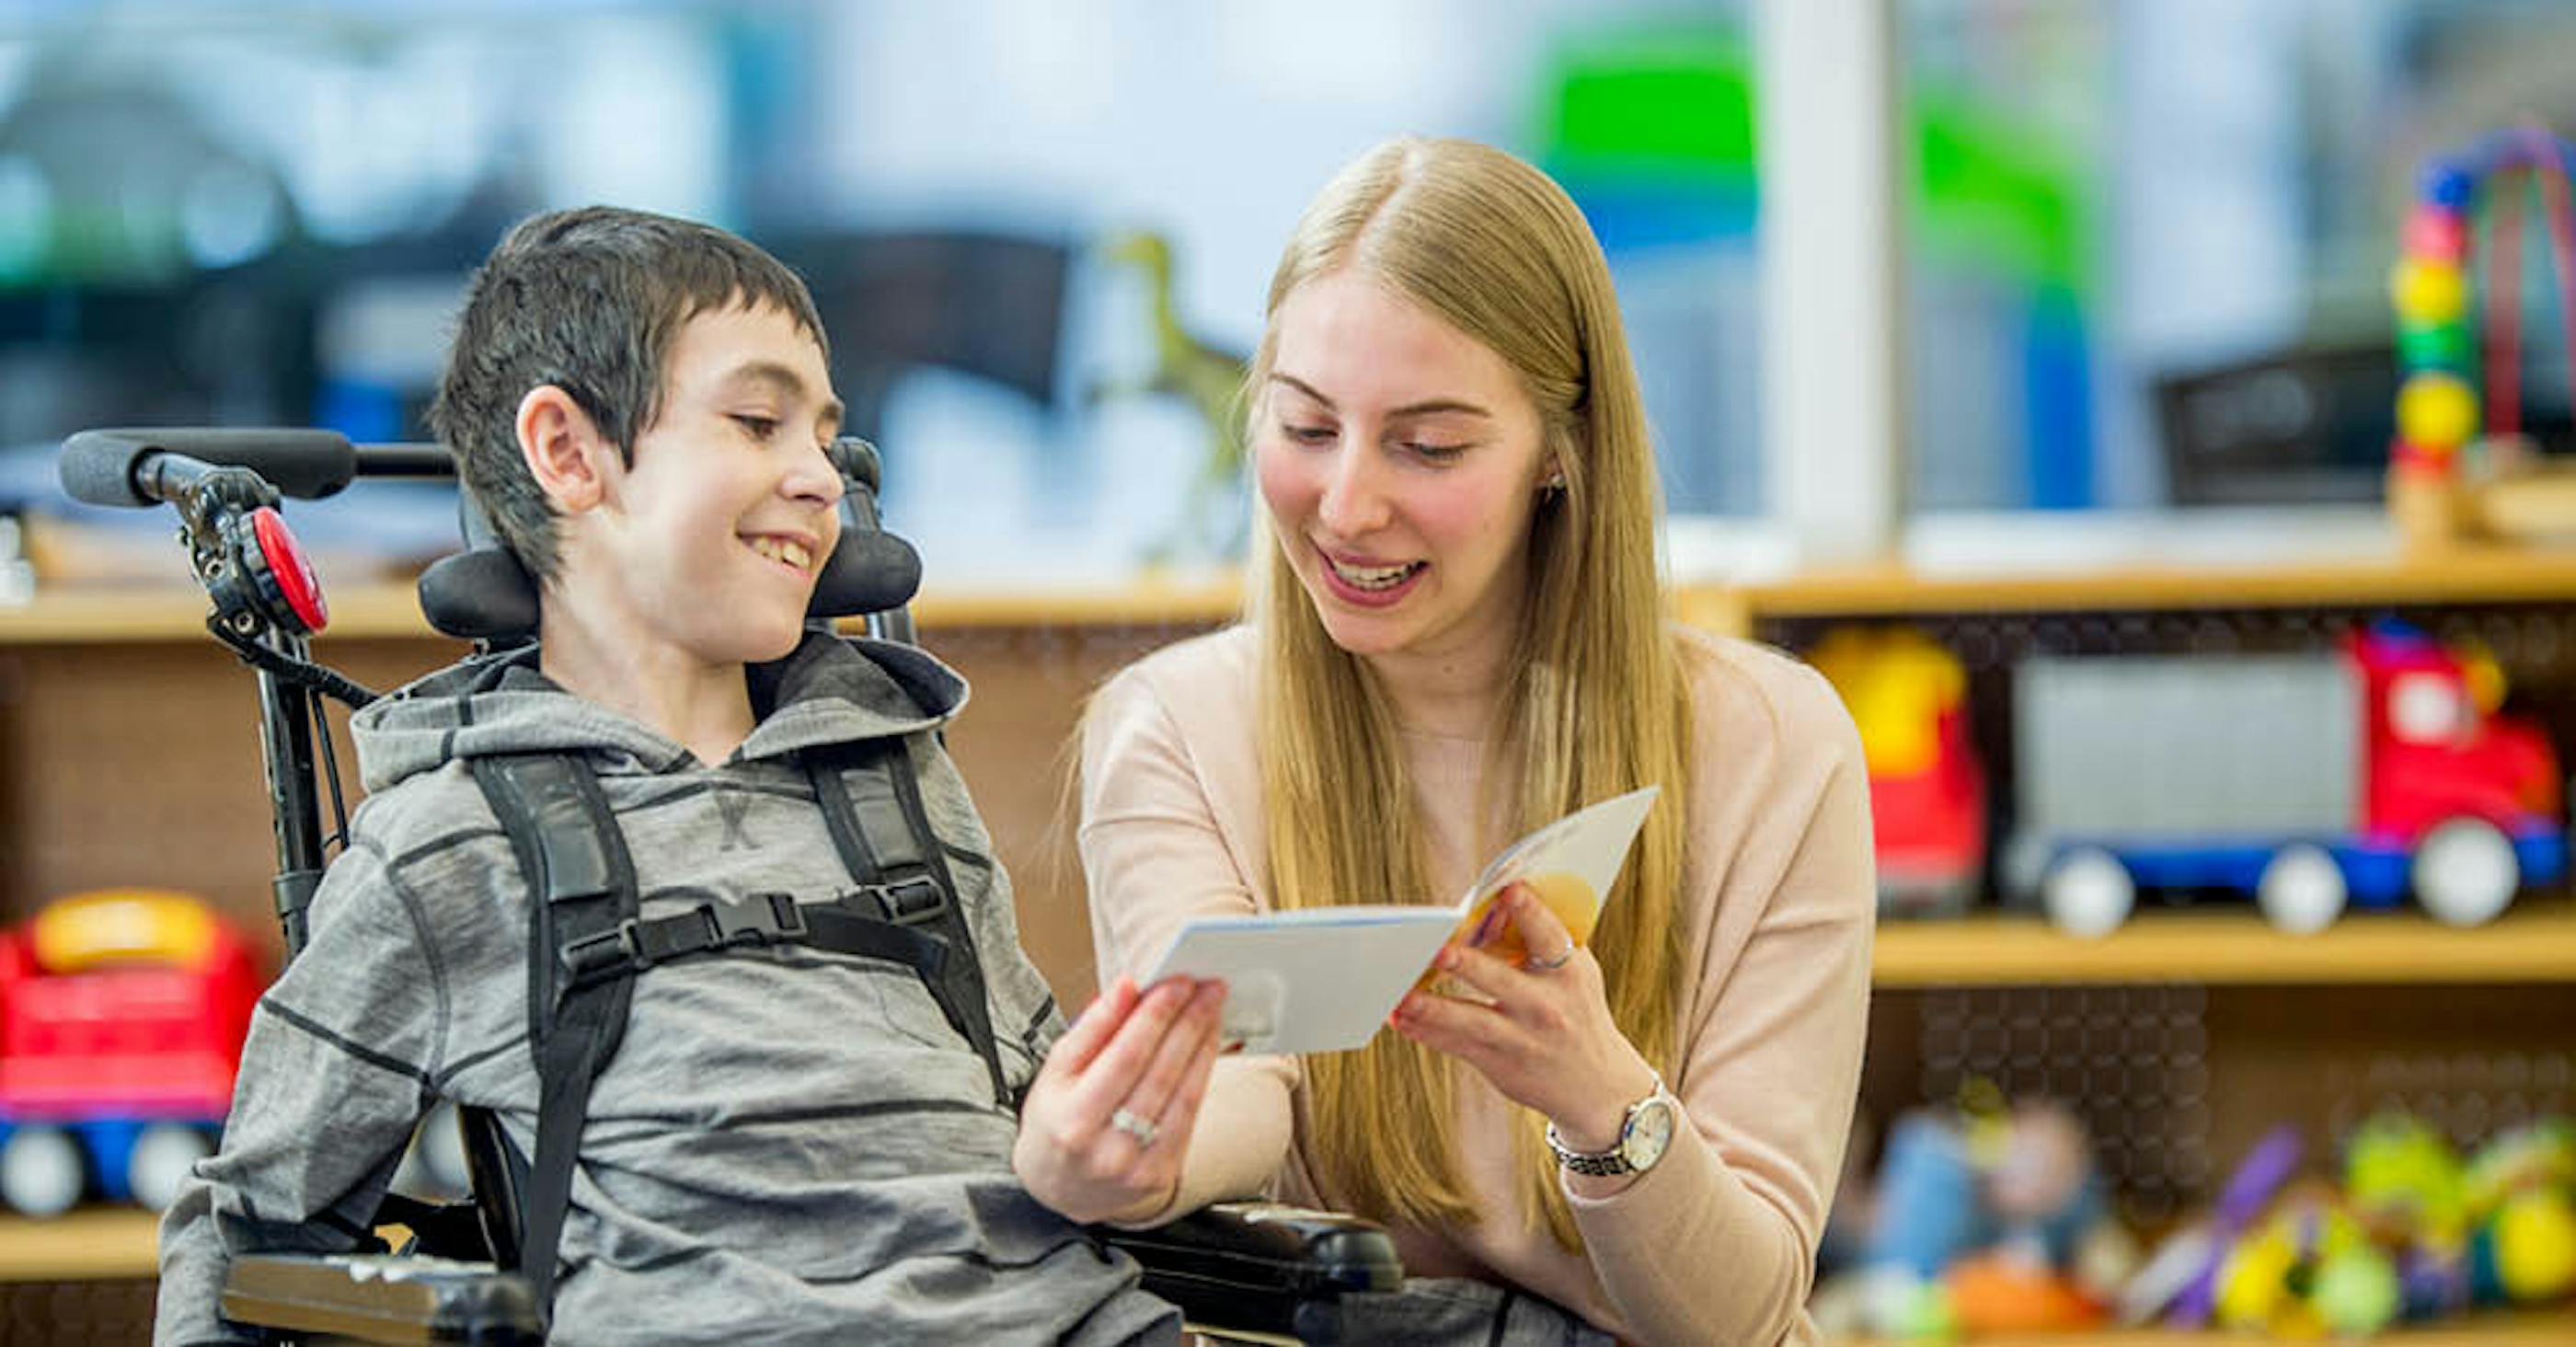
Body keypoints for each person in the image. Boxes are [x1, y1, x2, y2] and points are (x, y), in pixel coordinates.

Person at [155, 206, 1218, 1346]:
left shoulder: (893, 780)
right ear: (567, 452)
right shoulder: (453, 842)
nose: (815, 476)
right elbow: (251, 1234)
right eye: (758, 421)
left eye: (822, 435)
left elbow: (1032, 1105)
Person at [1052, 138, 1876, 1345]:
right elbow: (1244, 1080)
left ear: (1561, 452)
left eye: (1429, 446)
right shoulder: (1173, 728)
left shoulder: (1772, 745)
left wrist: (1601, 1097)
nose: (1346, 507)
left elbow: (1739, 1318)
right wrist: (1129, 1154)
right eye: (1305, 426)